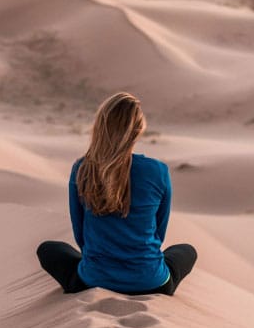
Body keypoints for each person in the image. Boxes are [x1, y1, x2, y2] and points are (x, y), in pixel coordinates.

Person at [36, 92, 197, 296]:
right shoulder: (158, 171)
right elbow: (159, 233)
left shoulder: (83, 169)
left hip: (92, 279)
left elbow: (80, 235)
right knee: (186, 251)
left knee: (49, 249)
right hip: (151, 282)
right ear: (138, 130)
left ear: (99, 127)